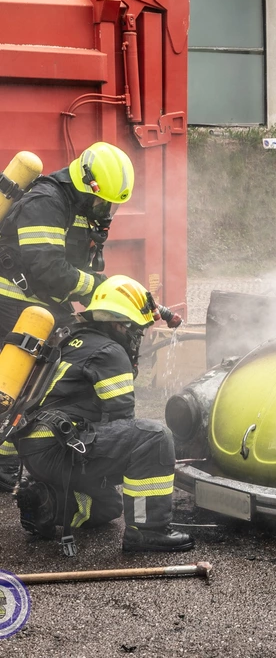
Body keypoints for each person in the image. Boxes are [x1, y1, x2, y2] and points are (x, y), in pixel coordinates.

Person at [12, 275, 193, 554]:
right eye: (135, 330)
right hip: (59, 448)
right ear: (120, 324)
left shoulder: (70, 338)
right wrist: (160, 457)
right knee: (154, 438)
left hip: (37, 447)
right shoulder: (110, 352)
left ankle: (48, 505)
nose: (137, 338)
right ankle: (148, 531)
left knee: (109, 507)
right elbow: (123, 420)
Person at [0, 142, 133, 493]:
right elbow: (47, 268)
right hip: (12, 303)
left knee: (32, 385)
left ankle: (11, 464)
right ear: (88, 184)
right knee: (13, 385)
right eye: (105, 202)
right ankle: (4, 467)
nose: (107, 211)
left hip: (40, 305)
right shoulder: (47, 202)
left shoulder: (77, 205)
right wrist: (98, 288)